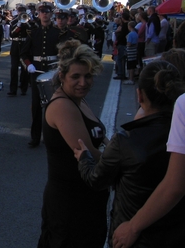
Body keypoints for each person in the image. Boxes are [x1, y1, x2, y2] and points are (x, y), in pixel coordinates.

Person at [74, 60, 185, 247]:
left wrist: (84, 158)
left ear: (139, 95)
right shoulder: (177, 132)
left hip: (134, 235)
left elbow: (96, 179)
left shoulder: (126, 140)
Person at [38, 40, 108, 247]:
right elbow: (90, 153)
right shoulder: (62, 106)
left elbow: (101, 138)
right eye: (75, 77)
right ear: (62, 77)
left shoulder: (80, 100)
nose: (83, 82)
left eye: (88, 76)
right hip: (69, 201)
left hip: (89, 196)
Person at [21, 1, 62, 148]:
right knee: (36, 105)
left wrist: (60, 69)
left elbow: (64, 54)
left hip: (53, 72)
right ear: (38, 14)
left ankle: (50, 136)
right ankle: (35, 137)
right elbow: (23, 53)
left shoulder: (58, 33)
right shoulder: (33, 33)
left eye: (47, 11)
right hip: (36, 71)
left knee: (53, 105)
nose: (44, 14)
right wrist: (28, 65)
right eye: (42, 11)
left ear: (51, 14)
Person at [8, 3, 33, 96]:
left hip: (25, 47)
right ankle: (13, 89)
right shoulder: (13, 22)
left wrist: (26, 23)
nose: (21, 13)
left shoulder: (29, 22)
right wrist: (18, 25)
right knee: (13, 69)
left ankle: (23, 88)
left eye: (22, 11)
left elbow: (32, 32)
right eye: (19, 11)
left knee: (24, 68)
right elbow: (12, 34)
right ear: (17, 12)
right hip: (15, 47)